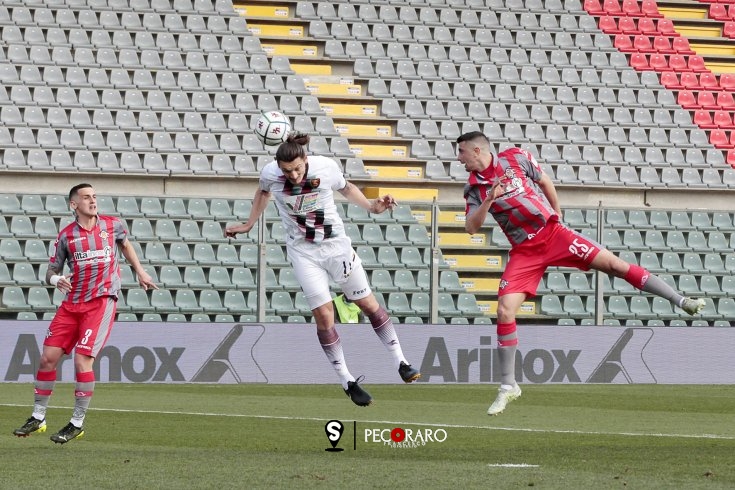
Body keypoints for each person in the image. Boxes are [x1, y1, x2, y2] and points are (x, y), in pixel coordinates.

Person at [456, 132, 706, 416]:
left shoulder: (516, 157)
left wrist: (557, 212)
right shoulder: (474, 187)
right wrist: (489, 200)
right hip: (525, 251)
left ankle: (680, 300)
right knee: (504, 311)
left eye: (462, 152)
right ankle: (508, 385)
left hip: (554, 234)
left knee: (615, 266)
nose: (459, 158)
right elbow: (471, 228)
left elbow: (544, 181)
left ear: (477, 150)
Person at [225, 132, 420, 406]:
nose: (292, 175)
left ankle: (402, 362)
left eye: (297, 169)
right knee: (325, 315)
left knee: (368, 304)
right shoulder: (270, 174)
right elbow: (263, 192)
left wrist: (371, 206)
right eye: (286, 171)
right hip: (304, 252)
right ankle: (347, 381)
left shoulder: (325, 167)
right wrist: (248, 224)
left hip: (337, 247)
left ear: (306, 159)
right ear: (278, 167)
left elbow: (346, 187)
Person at [13, 183, 158, 443]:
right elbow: (50, 271)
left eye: (94, 196)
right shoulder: (67, 236)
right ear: (73, 205)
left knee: (82, 360)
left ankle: (77, 422)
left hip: (101, 302)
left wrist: (140, 271)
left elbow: (125, 246)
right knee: (47, 358)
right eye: (86, 197)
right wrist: (56, 280)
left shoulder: (113, 225)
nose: (93, 201)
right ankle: (38, 416)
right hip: (71, 305)